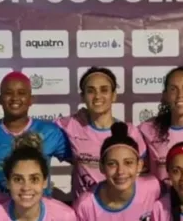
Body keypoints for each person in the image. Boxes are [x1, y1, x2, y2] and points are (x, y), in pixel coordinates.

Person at [73, 122, 160, 221]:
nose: (121, 172)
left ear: (139, 166)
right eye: (112, 164)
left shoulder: (153, 188)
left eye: (128, 163)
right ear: (102, 167)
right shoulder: (86, 205)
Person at [56, 67, 148, 199]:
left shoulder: (130, 132)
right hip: (84, 212)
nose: (98, 96)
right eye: (91, 91)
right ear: (83, 97)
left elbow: (142, 176)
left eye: (104, 90)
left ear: (114, 95)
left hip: (121, 208)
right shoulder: (71, 125)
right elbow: (39, 132)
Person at [0, 71, 71, 195]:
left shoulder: (50, 132)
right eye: (8, 93)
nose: (15, 98)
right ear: (0, 99)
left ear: (31, 100)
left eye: (21, 93)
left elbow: (81, 160)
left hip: (38, 210)